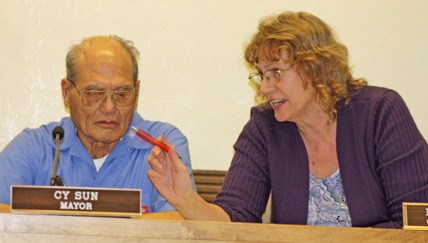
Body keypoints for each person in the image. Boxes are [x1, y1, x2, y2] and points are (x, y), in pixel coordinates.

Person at [147, 11, 428, 228]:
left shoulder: (380, 113)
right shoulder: (264, 127)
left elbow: (415, 221)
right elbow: (234, 221)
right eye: (262, 75)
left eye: (276, 72)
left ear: (316, 67)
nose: (265, 88)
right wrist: (186, 200)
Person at [0, 35, 195, 216]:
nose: (109, 108)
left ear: (136, 93)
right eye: (93, 93)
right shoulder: (35, 147)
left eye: (122, 93)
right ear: (67, 92)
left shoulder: (160, 146)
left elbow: (184, 220)